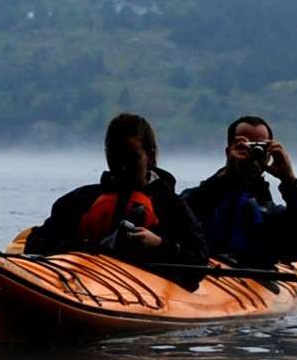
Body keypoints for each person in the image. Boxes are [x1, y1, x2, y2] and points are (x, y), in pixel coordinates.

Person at [27, 112, 207, 271]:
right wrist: (84, 246)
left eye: (131, 159)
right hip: (84, 281)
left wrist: (159, 245)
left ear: (150, 156)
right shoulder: (79, 201)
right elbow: (35, 246)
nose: (122, 167)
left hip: (147, 288)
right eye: (114, 158)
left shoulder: (171, 205)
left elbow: (198, 260)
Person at [180, 115, 297, 271]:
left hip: (256, 276)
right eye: (244, 145)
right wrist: (227, 175)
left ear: (268, 155)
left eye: (259, 147)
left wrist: (290, 182)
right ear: (229, 151)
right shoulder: (204, 196)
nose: (252, 153)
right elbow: (175, 216)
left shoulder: (273, 215)